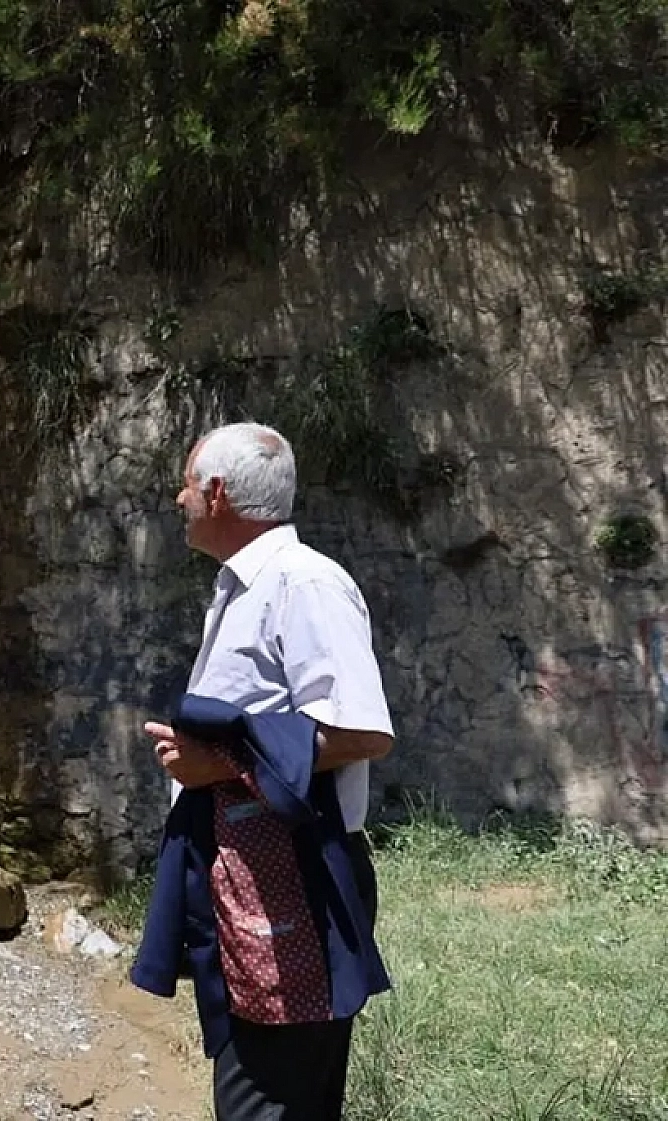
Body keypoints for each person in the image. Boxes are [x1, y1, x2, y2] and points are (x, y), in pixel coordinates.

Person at [144, 422, 395, 1120]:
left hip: (290, 887)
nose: (179, 498)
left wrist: (217, 759)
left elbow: (363, 729)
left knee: (264, 1102)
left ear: (218, 493)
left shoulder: (304, 583)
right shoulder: (245, 587)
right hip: (252, 879)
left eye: (188, 484)